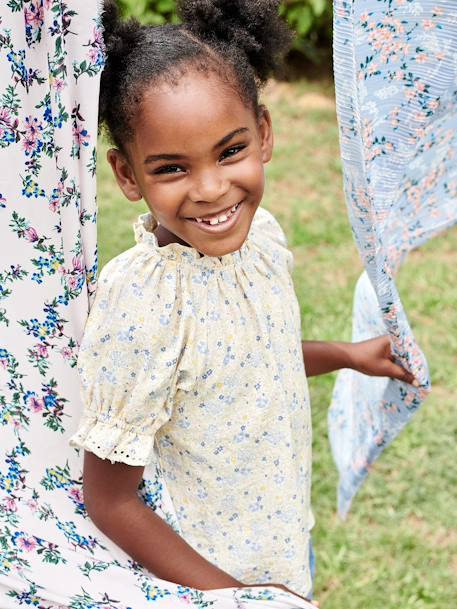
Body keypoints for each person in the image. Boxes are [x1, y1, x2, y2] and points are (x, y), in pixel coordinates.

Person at [70, 0, 416, 603]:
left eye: (230, 151)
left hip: (279, 549)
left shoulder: (263, 239)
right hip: (201, 579)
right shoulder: (142, 303)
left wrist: (347, 354)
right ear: (128, 176)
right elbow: (111, 499)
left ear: (263, 133)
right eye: (171, 167)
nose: (210, 189)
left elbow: (249, 359)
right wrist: (239, 599)